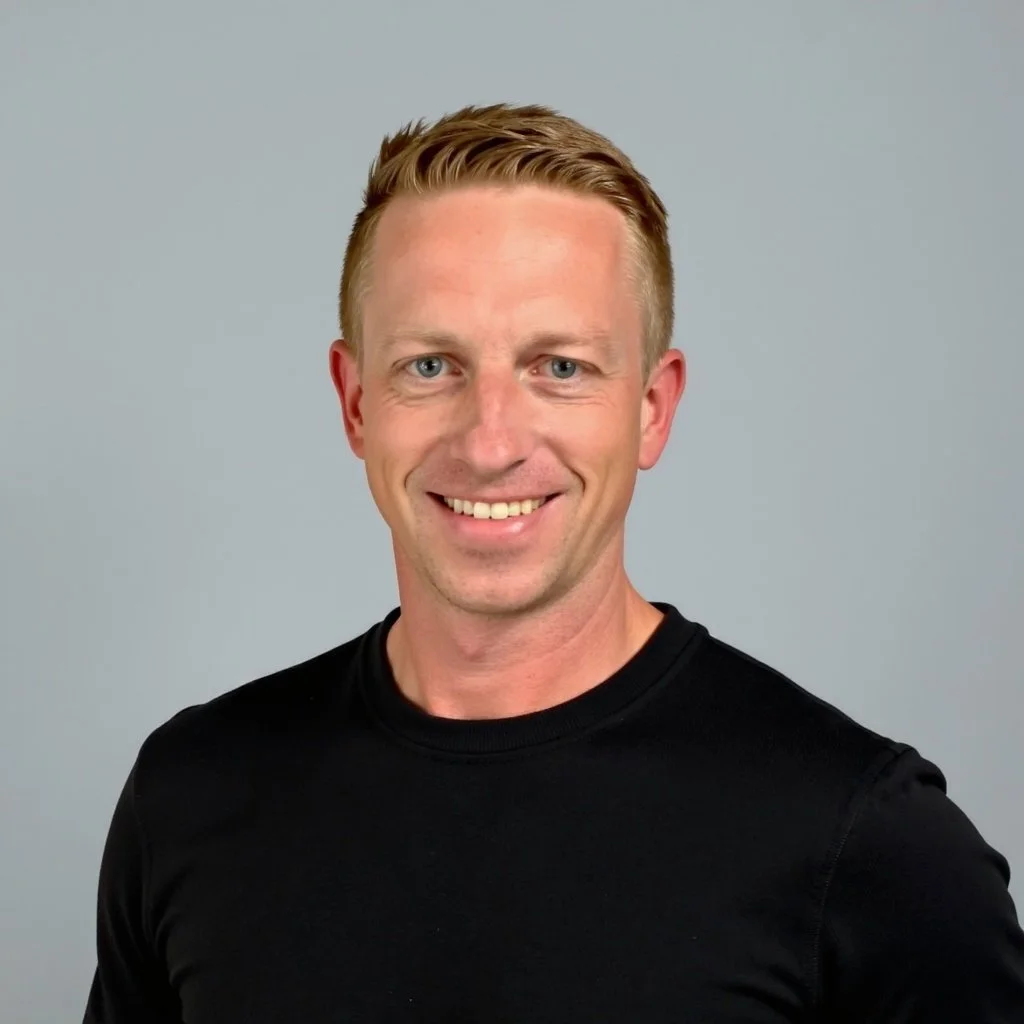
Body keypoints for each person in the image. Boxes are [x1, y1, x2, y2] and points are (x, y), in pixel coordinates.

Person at [83, 103, 1024, 1023]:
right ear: (356, 402)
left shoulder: (859, 839)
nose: (490, 442)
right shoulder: (193, 794)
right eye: (430, 366)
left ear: (652, 408)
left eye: (560, 367)